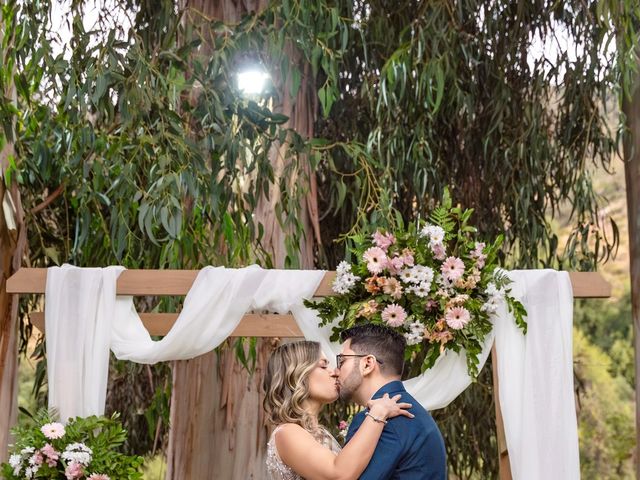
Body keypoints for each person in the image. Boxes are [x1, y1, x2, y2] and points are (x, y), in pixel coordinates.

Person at [264, 340, 414, 480]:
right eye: (323, 366)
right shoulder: (287, 433)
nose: (335, 372)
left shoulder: (319, 433)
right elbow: (339, 475)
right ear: (296, 375)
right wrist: (378, 412)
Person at [337, 324, 447, 479]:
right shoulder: (414, 412)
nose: (336, 372)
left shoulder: (377, 420)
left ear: (367, 364)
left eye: (341, 361)